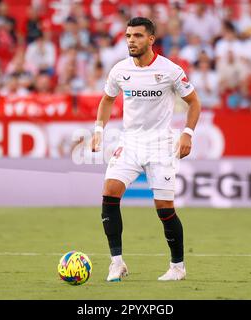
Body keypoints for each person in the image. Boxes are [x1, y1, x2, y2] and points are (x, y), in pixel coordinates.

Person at [90, 17, 201, 282]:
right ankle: (116, 263)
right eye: (128, 36)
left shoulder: (171, 70)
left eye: (137, 36)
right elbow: (107, 100)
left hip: (160, 145)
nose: (131, 41)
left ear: (151, 39)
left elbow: (194, 103)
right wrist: (98, 130)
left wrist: (187, 133)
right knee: (109, 194)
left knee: (164, 207)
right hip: (130, 142)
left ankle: (177, 267)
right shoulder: (119, 70)